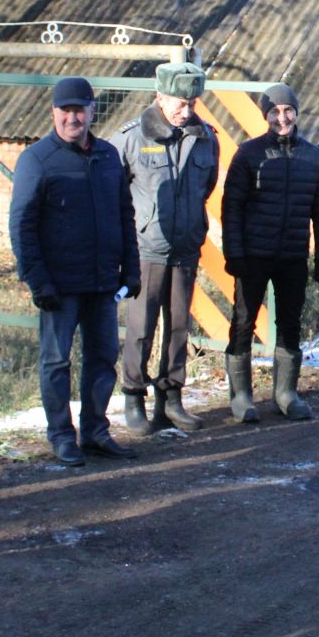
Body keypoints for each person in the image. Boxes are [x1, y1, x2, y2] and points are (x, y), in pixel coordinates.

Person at [9, 77, 141, 465]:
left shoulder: (107, 156)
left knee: (103, 358)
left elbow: (124, 213)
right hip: (59, 284)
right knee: (56, 361)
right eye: (65, 111)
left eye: (79, 110)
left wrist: (130, 268)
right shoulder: (37, 160)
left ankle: (96, 432)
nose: (73, 117)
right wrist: (37, 280)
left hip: (102, 281)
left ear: (91, 111)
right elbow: (22, 224)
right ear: (53, 113)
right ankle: (62, 436)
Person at [113, 62, 219, 435]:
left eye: (191, 102)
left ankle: (171, 398)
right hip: (146, 250)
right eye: (178, 102)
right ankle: (132, 396)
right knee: (141, 327)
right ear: (158, 97)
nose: (185, 111)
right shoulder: (129, 138)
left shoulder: (206, 138)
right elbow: (114, 193)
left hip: (186, 248)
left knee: (178, 328)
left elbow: (207, 185)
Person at [221, 83, 319, 422]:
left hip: (292, 257)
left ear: (296, 113)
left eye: (287, 111)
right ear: (265, 116)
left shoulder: (312, 156)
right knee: (243, 321)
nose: (282, 118)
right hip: (254, 255)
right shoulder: (249, 154)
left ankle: (286, 393)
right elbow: (232, 208)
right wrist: (234, 254)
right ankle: (241, 396)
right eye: (274, 112)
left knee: (290, 324)